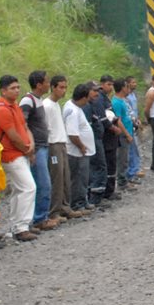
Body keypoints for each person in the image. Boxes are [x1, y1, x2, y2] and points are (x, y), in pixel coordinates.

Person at [0, 75, 38, 242]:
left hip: (21, 153)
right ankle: (21, 226)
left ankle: (17, 225)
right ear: (3, 90)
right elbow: (13, 136)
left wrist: (31, 143)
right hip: (10, 155)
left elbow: (24, 127)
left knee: (19, 189)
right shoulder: (1, 110)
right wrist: (27, 149)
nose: (16, 91)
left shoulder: (14, 106)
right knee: (28, 187)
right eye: (12, 88)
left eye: (17, 87)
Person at [20, 71, 59, 232]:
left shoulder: (39, 100)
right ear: (38, 84)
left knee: (44, 182)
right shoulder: (28, 101)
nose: (48, 84)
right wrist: (30, 145)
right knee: (42, 183)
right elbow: (23, 123)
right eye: (46, 81)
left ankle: (41, 216)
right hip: (36, 149)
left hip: (44, 146)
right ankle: (39, 218)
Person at [44, 75, 84, 220]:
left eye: (65, 87)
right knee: (56, 178)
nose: (63, 91)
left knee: (65, 176)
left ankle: (65, 207)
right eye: (61, 87)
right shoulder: (47, 105)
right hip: (53, 144)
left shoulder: (56, 105)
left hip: (61, 143)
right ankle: (54, 211)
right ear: (53, 87)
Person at [64, 82, 98, 209]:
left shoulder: (73, 107)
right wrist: (82, 146)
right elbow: (73, 134)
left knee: (83, 177)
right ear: (83, 98)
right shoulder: (73, 111)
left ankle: (82, 200)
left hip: (79, 151)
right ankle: (78, 204)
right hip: (76, 152)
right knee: (79, 178)